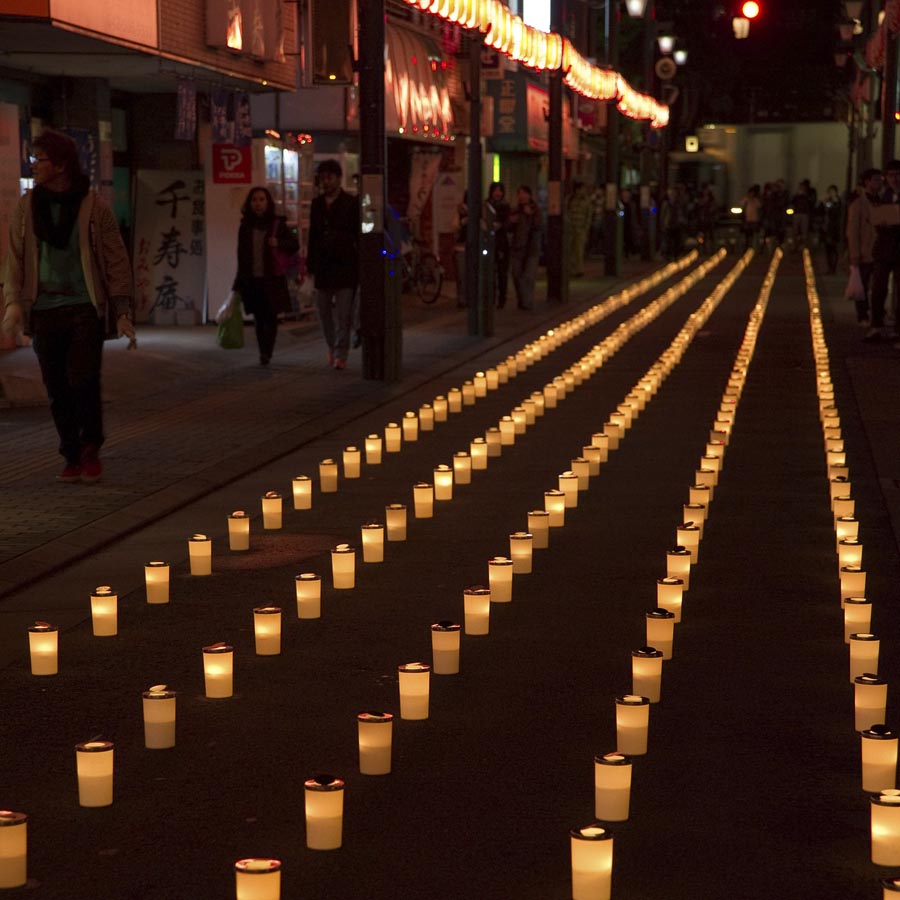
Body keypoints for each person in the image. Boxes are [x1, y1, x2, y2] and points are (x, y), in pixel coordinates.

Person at [1, 129, 134, 484]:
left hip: (83, 308)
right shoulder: (28, 207)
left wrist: (122, 309)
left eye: (39, 159)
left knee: (84, 380)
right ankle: (70, 454)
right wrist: (13, 304)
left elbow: (116, 259)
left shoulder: (94, 207)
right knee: (56, 386)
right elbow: (14, 259)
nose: (34, 165)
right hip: (44, 309)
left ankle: (90, 446)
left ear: (60, 165)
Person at [232, 186, 298, 366]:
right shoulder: (245, 227)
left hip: (272, 278)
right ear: (249, 203)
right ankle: (263, 352)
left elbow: (294, 244)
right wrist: (238, 282)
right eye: (254, 200)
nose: (258, 203)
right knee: (258, 317)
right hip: (252, 279)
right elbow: (241, 255)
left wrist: (279, 242)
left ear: (268, 202)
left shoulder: (277, 224)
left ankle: (267, 351)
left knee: (271, 316)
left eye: (262, 200)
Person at [306, 159, 359, 369]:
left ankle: (340, 353)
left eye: (329, 177)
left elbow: (356, 233)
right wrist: (310, 266)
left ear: (338, 178)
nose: (325, 182)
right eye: (322, 178)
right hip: (323, 265)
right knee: (324, 311)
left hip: (345, 265)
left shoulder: (350, 202)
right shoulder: (317, 204)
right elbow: (313, 235)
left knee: (344, 313)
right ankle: (332, 345)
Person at [868, 159, 900, 342]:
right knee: (878, 288)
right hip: (883, 248)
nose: (895, 179)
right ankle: (876, 325)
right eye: (891, 175)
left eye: (897, 175)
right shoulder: (880, 197)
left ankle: (897, 328)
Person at [846, 169, 881, 328]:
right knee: (863, 286)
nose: (878, 183)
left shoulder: (881, 201)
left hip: (880, 251)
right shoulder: (858, 204)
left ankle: (875, 315)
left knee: (878, 286)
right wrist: (854, 254)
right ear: (867, 182)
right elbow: (852, 231)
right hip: (864, 251)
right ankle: (863, 315)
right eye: (875, 180)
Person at [508, 185, 542, 310]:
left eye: (524, 193)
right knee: (516, 275)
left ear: (529, 195)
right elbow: (508, 227)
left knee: (528, 276)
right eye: (519, 193)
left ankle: (527, 302)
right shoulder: (515, 210)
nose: (522, 196)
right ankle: (522, 300)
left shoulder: (535, 210)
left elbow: (538, 226)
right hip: (517, 247)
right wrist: (511, 222)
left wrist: (529, 216)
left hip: (531, 248)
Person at [483, 181, 510, 309]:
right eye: (495, 190)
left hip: (501, 243)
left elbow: (507, 224)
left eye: (500, 190)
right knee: (489, 271)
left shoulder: (505, 206)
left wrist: (501, 226)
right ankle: (490, 298)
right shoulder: (486, 205)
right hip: (488, 242)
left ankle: (501, 300)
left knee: (501, 273)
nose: (498, 193)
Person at [566, 181, 592, 277]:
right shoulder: (570, 199)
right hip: (571, 228)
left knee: (579, 249)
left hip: (580, 228)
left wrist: (586, 228)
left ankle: (578, 269)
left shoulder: (586, 201)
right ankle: (572, 269)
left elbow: (588, 216)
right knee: (571, 250)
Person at [819, 184, 843, 275]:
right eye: (829, 192)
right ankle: (829, 267)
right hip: (826, 228)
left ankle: (833, 268)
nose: (830, 194)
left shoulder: (838, 202)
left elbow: (836, 213)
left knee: (833, 248)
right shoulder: (827, 202)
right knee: (827, 249)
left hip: (833, 228)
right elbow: (820, 211)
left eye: (832, 192)